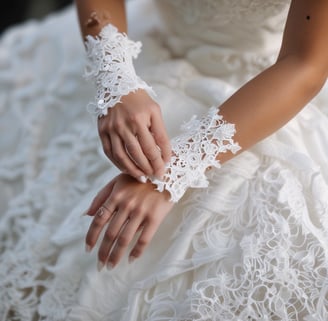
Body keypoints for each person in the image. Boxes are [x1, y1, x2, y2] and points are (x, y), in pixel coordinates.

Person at [1, 0, 328, 320]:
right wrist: (116, 83)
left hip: (261, 93)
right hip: (142, 50)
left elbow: (305, 63)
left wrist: (172, 172)